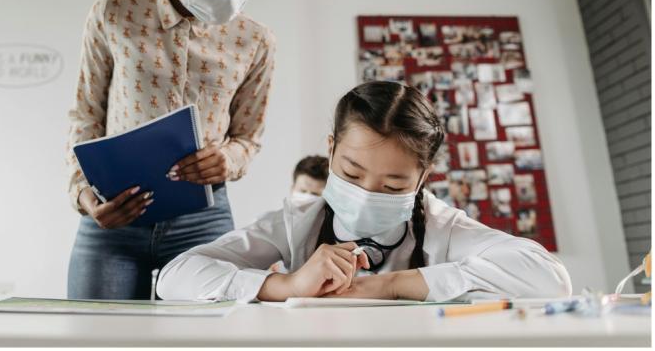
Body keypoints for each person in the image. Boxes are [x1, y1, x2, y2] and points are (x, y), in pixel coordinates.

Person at [157, 81, 572, 302]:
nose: (369, 193)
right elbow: (175, 278)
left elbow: (549, 277)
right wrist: (287, 286)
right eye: (352, 175)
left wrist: (389, 285)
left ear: (423, 179)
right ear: (331, 149)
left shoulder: (442, 227)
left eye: (394, 186)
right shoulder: (297, 219)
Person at [66, 0, 277, 300]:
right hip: (114, 215)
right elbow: (85, 115)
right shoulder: (115, 13)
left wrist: (228, 159)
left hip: (203, 219)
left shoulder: (255, 41)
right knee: (97, 340)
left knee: (203, 343)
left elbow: (248, 138)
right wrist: (84, 197)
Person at [269, 155, 330, 272]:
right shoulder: (270, 225)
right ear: (292, 189)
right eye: (302, 191)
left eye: (315, 195)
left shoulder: (333, 233)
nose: (307, 198)